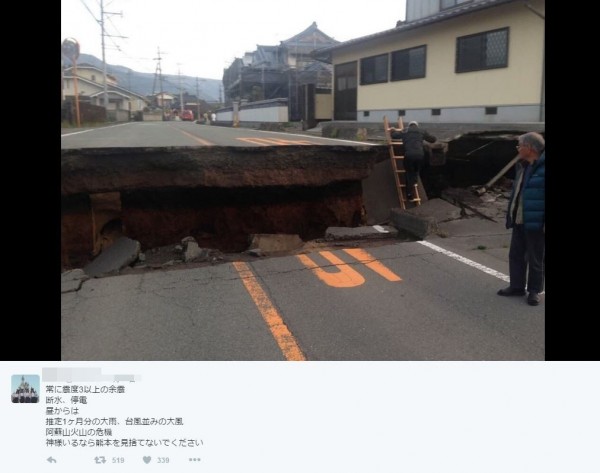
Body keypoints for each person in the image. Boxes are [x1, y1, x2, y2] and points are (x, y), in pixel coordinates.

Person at [497, 132, 545, 306]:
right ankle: (517, 286)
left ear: (529, 148)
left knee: (535, 257)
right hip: (519, 218)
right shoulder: (522, 166)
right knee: (516, 255)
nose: (517, 148)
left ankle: (534, 291)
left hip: (536, 221)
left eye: (519, 145)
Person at [390, 121, 436, 200]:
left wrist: (393, 130)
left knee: (409, 173)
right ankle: (413, 183)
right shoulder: (422, 130)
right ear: (416, 125)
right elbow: (433, 139)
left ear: (409, 125)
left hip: (409, 155)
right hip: (420, 155)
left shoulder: (405, 130)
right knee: (415, 171)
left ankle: (409, 193)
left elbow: (394, 136)